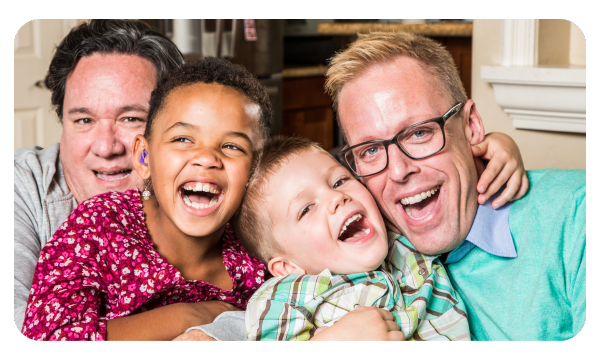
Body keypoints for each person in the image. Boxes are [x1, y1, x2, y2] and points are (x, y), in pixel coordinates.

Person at [325, 31, 586, 340]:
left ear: (471, 126)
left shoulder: (577, 218)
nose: (397, 171)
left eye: (419, 133)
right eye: (370, 150)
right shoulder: (359, 251)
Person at [21, 58, 270, 341]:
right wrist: (190, 315)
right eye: (182, 139)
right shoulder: (98, 226)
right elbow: (48, 335)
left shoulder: (261, 248)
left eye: (231, 146)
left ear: (256, 169)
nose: (206, 158)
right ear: (144, 156)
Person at [14, 19, 188, 330]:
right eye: (84, 120)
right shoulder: (22, 186)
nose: (107, 147)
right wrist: (193, 316)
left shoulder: (206, 188)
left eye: (131, 118)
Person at [237, 136, 471, 341]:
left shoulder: (401, 235)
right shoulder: (285, 298)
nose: (336, 197)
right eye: (307, 208)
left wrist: (495, 148)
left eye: (339, 182)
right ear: (288, 267)